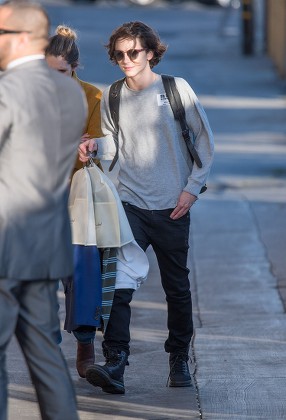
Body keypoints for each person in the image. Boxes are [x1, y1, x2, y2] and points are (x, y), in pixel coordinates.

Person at [79, 21, 214, 395]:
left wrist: (191, 190)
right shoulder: (114, 95)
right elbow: (112, 147)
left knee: (177, 288)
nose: (126, 59)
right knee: (119, 287)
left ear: (151, 52)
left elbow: (204, 144)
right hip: (130, 204)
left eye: (134, 52)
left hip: (173, 206)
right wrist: (93, 146)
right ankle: (116, 361)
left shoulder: (176, 89)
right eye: (119, 54)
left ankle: (178, 359)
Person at [0, 2, 87, 419]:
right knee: (47, 359)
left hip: (4, 244)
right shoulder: (70, 90)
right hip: (44, 246)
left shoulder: (8, 89)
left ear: (18, 37)